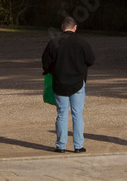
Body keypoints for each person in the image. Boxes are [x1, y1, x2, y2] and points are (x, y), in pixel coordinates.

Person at [42, 16, 95, 153]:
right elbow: (90, 60)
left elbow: (46, 63)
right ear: (75, 27)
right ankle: (78, 146)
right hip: (78, 82)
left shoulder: (54, 42)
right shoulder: (81, 42)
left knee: (62, 114)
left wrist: (53, 71)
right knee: (77, 114)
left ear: (62, 27)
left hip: (59, 82)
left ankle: (61, 145)